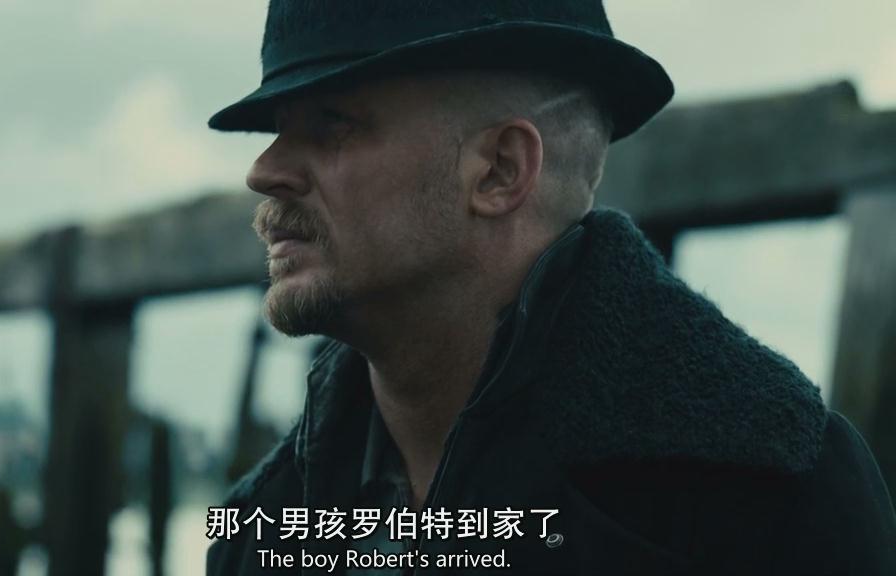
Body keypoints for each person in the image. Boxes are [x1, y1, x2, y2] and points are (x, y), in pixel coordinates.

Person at [206, 1, 896, 574]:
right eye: (279, 129)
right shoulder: (254, 534)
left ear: (501, 171)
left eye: (332, 124)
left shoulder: (765, 497)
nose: (264, 171)